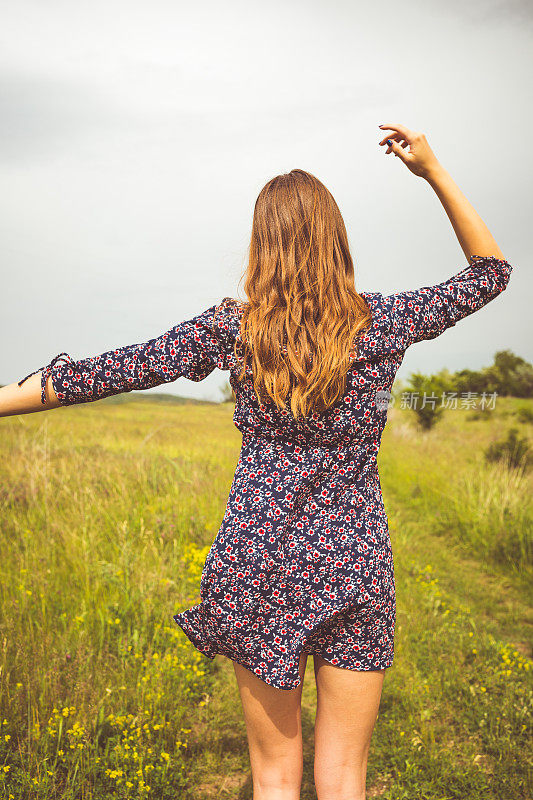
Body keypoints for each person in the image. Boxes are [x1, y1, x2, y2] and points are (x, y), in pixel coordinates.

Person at [0, 122, 514, 800]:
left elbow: (104, 373)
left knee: (272, 777)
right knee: (343, 777)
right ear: (335, 241)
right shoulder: (381, 323)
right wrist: (432, 171)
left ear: (261, 245)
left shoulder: (229, 328)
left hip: (257, 559)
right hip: (354, 562)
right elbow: (490, 274)